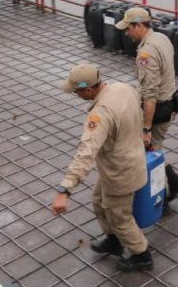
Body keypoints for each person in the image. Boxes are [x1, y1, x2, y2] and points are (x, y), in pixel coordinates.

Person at [51, 63, 153, 272]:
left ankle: (142, 255)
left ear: (88, 89)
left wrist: (65, 189)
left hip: (121, 173)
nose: (76, 95)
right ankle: (113, 240)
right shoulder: (122, 88)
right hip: (125, 163)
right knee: (99, 202)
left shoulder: (100, 115)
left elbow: (86, 153)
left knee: (120, 217)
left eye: (77, 91)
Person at [115, 6, 178, 202]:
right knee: (155, 148)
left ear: (138, 25)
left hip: (158, 109)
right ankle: (174, 182)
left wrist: (146, 128)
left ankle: (161, 198)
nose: (127, 33)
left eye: (128, 28)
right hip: (171, 102)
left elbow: (150, 95)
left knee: (149, 153)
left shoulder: (146, 53)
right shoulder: (162, 38)